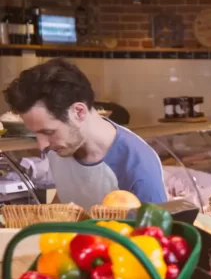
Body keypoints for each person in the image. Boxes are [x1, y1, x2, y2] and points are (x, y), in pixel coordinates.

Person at [3, 59, 167, 207]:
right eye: (36, 134)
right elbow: (68, 201)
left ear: (79, 112)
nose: (42, 146)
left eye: (48, 132)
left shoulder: (138, 165)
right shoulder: (62, 147)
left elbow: (153, 236)